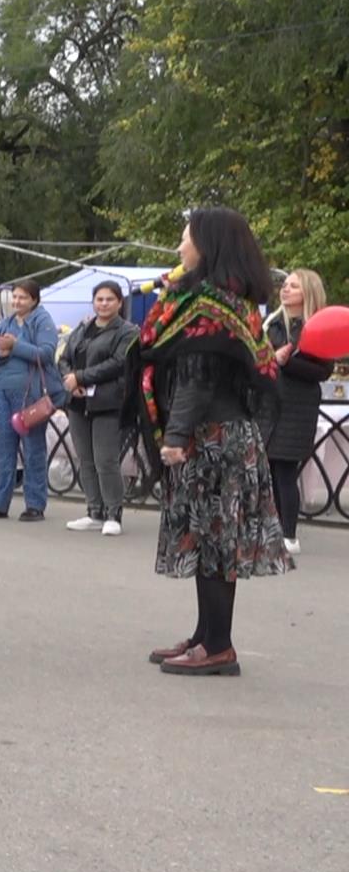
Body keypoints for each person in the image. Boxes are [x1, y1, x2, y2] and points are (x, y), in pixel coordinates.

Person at [131, 207, 289, 677]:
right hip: (224, 436)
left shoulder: (210, 307)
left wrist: (175, 436)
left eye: (185, 238)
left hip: (213, 438)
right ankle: (205, 635)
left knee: (217, 542)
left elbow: (198, 379)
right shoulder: (226, 301)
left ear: (209, 245)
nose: (179, 248)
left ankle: (218, 645)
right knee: (209, 540)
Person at [58, 281, 141, 535]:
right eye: (99, 299)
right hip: (78, 401)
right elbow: (64, 359)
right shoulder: (82, 329)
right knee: (85, 458)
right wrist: (71, 380)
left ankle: (113, 513)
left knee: (106, 459)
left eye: (109, 299)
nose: (103, 304)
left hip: (108, 401)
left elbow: (117, 363)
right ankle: (94, 510)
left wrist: (81, 377)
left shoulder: (127, 331)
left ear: (119, 303)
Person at [0, 279, 61, 521]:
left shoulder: (42, 320)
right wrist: (2, 354)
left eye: (22, 297)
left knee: (33, 448)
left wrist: (15, 346)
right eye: (14, 297)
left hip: (30, 394)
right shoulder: (6, 322)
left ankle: (35, 504)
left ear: (34, 300)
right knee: (3, 449)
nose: (17, 302)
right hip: (2, 392)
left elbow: (46, 354)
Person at [263, 268, 329, 554]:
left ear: (307, 293)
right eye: (285, 284)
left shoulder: (316, 327)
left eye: (293, 286)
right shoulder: (271, 323)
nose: (285, 289)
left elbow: (323, 371)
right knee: (268, 468)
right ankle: (271, 528)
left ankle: (288, 534)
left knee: (285, 469)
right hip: (268, 404)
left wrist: (285, 362)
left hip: (297, 407)